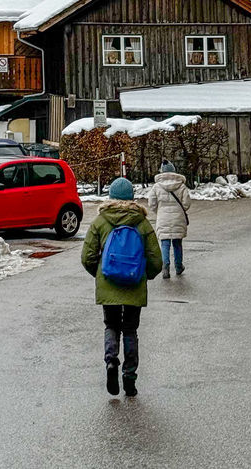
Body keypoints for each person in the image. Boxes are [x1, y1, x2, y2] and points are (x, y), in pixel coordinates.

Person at [81, 176, 162, 397]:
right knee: (130, 329)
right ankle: (130, 377)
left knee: (111, 325)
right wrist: (145, 275)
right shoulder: (142, 223)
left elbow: (87, 256)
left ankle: (111, 362)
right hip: (134, 283)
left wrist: (100, 274)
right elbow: (156, 260)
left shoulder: (100, 221)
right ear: (132, 198)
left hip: (108, 284)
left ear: (111, 197)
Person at [148, 160, 191, 279]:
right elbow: (187, 203)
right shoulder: (181, 186)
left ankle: (165, 267)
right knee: (177, 243)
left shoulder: (156, 186)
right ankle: (178, 266)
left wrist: (159, 211)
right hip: (178, 218)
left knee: (165, 243)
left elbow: (151, 203)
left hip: (163, 217)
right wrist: (180, 210)